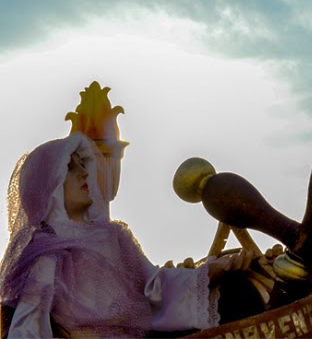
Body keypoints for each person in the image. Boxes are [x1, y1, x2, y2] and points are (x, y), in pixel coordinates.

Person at [0, 132, 253, 338]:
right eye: (70, 167)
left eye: (83, 165)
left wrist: (209, 272)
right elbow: (28, 326)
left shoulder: (114, 237)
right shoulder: (47, 255)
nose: (84, 173)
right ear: (48, 186)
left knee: (239, 293)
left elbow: (155, 287)